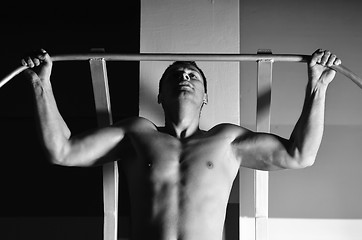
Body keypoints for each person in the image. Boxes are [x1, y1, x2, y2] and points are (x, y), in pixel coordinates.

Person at [21, 48, 341, 240]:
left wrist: (318, 86)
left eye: (193, 75)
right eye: (176, 74)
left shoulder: (227, 140)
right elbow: (61, 150)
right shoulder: (138, 134)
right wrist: (41, 85)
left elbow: (301, 154)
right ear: (161, 95)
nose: (185, 76)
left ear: (205, 98)